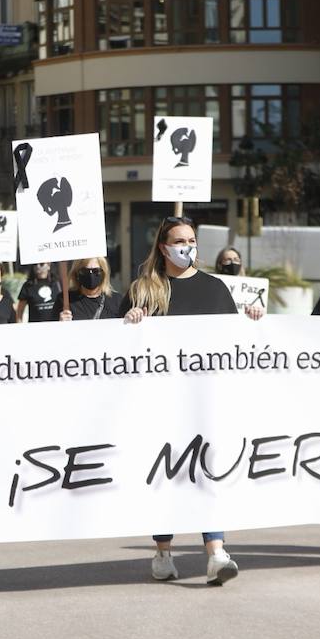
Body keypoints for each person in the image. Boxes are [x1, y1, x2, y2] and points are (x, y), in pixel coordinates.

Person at [126, 216, 241, 586]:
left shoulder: (215, 288)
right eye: (178, 240)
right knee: (167, 474)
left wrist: (254, 319)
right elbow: (117, 345)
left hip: (205, 397)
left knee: (208, 469)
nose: (186, 246)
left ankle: (216, 552)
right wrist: (129, 319)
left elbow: (235, 340)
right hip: (160, 400)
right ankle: (163, 551)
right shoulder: (145, 289)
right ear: (163, 247)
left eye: (191, 239)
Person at [58, 257, 129, 321]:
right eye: (84, 271)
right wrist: (60, 324)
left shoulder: (117, 300)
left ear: (104, 273)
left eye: (96, 271)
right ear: (76, 273)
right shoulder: (65, 300)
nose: (91, 275)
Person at [214, 247, 265, 321]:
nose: (233, 263)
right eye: (228, 260)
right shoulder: (212, 285)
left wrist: (255, 311)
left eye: (236, 260)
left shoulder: (250, 288)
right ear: (219, 265)